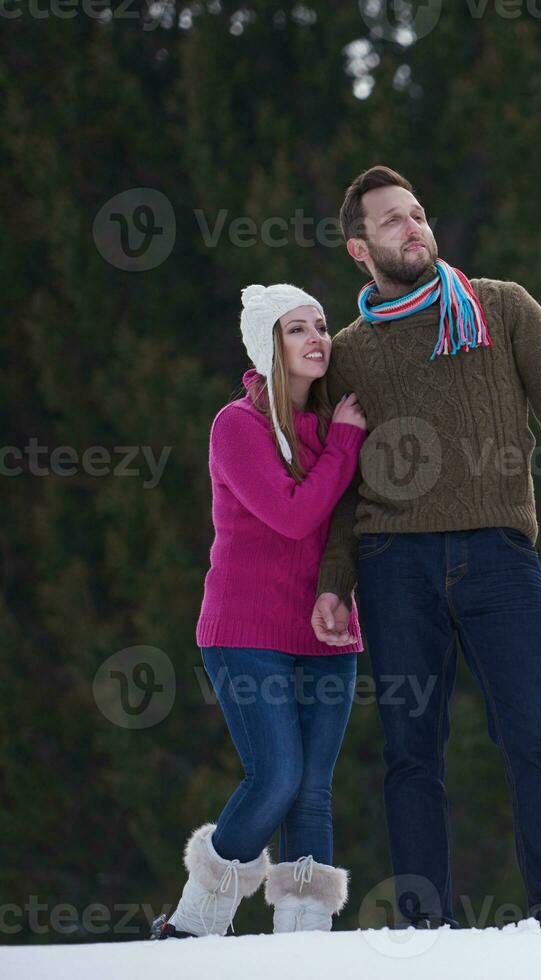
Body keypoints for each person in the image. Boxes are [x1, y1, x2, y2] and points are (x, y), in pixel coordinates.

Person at [310, 165, 541, 929]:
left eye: (416, 213)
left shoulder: (499, 307)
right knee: (412, 751)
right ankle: (424, 922)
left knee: (534, 730)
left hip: (498, 555)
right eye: (391, 221)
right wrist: (334, 582)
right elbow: (340, 482)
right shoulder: (346, 354)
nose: (413, 227)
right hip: (392, 566)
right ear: (358, 249)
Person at [150, 285, 369, 939]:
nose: (316, 338)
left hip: (329, 629)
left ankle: (302, 941)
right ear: (268, 347)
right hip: (247, 630)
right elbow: (293, 515)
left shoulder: (336, 423)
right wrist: (346, 446)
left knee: (313, 792)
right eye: (296, 328)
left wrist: (345, 439)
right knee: (276, 776)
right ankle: (196, 921)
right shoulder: (236, 425)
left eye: (322, 326)